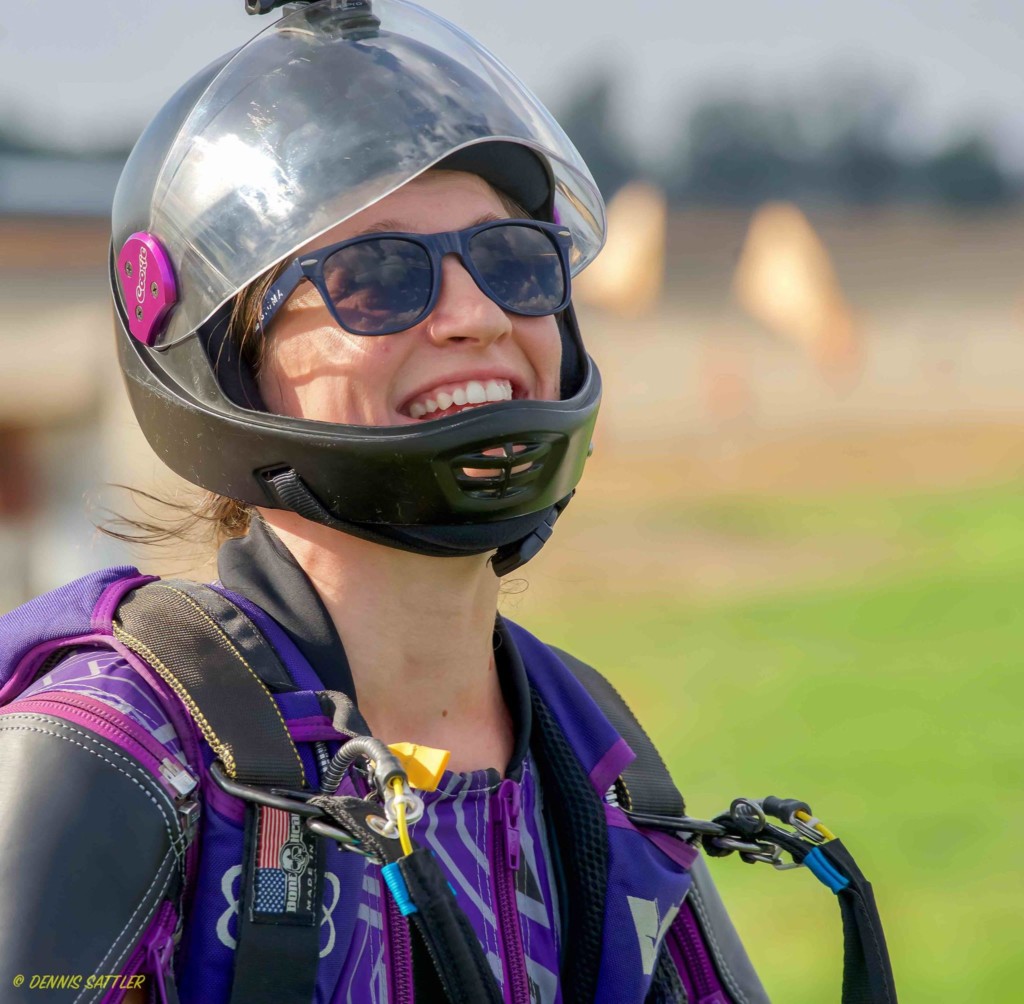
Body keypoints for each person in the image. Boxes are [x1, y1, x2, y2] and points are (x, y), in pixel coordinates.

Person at [0, 2, 769, 1002]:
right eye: (372, 280)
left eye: (514, 262)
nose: (476, 315)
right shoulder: (123, 749)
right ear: (234, 364)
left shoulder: (593, 757)